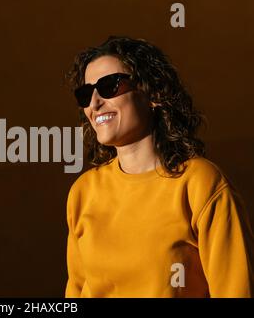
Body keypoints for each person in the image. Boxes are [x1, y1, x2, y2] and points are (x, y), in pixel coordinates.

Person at [64, 36, 254, 297]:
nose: (94, 103)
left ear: (152, 94)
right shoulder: (83, 192)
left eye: (109, 86)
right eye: (85, 94)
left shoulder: (200, 183)